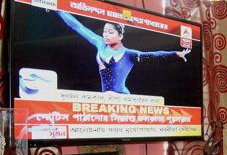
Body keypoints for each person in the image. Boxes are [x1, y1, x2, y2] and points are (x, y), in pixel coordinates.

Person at [57, 12, 191, 94]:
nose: (106, 35)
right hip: (106, 98)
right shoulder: (100, 43)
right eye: (104, 31)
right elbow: (78, 27)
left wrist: (175, 53)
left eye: (110, 32)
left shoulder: (129, 54)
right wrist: (59, 9)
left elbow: (153, 54)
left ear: (120, 36)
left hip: (123, 98)